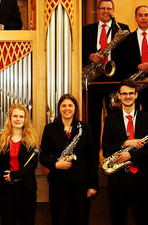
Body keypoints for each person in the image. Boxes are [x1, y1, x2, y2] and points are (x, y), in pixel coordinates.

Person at [101, 80, 148, 225]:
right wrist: (124, 144)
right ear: (118, 96)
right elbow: (106, 149)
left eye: (131, 93)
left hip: (142, 181)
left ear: (136, 95)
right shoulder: (110, 120)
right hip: (118, 183)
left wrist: (130, 155)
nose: (128, 96)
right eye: (124, 93)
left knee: (143, 220)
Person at [40, 94, 98, 225]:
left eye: (70, 105)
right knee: (59, 220)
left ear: (75, 108)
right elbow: (42, 156)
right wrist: (56, 164)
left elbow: (92, 158)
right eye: (63, 105)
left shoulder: (85, 128)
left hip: (81, 185)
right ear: (59, 108)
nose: (67, 108)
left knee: (80, 220)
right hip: (58, 184)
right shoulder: (50, 129)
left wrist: (93, 185)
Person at [81, 0, 130, 145]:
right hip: (94, 79)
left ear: (113, 11)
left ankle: (113, 152)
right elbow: (79, 51)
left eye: (109, 8)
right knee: (93, 119)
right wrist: (89, 55)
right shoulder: (87, 30)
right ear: (98, 11)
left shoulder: (122, 29)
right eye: (103, 8)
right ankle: (93, 157)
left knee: (114, 120)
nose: (106, 11)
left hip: (114, 79)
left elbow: (127, 56)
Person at [0, 103, 39, 225]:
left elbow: (32, 164)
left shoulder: (32, 139)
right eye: (15, 116)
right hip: (6, 189)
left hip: (26, 189)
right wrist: (6, 174)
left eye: (21, 116)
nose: (18, 119)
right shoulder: (1, 138)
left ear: (25, 120)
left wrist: (15, 174)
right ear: (10, 118)